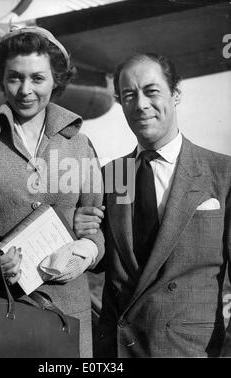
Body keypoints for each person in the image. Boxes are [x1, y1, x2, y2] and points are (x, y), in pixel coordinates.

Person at [0, 26, 104, 357]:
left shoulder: (81, 146)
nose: (26, 90)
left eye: (38, 78)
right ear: (1, 79)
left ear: (56, 80)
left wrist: (84, 253)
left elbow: (99, 228)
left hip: (67, 316)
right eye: (15, 77)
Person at [73, 53, 231, 357]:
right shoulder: (112, 174)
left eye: (151, 91)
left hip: (188, 350)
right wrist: (79, 229)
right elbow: (102, 258)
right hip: (117, 351)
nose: (141, 104)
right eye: (129, 95)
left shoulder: (221, 173)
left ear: (175, 95)